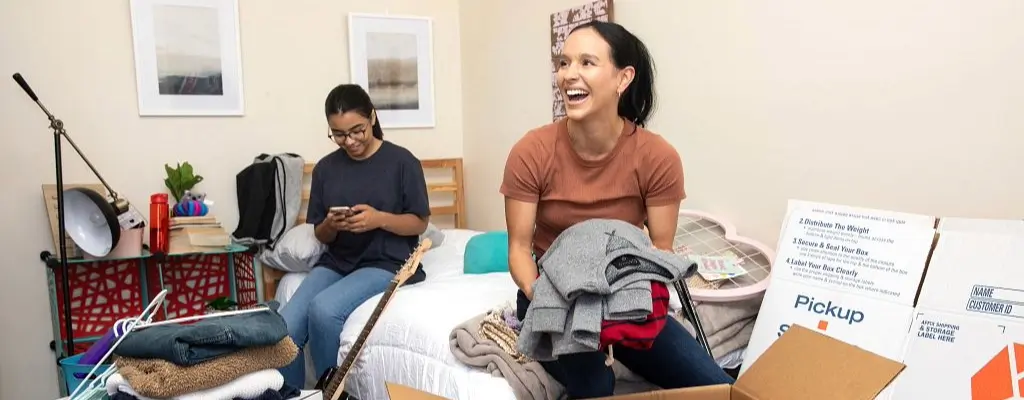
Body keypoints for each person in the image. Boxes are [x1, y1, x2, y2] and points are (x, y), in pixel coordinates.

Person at [500, 21, 735, 398]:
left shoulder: (657, 157)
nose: (568, 74)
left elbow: (660, 251)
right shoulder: (531, 152)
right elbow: (518, 250)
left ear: (623, 78)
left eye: (586, 62)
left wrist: (622, 308)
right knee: (595, 385)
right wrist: (552, 301)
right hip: (551, 296)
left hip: (625, 294)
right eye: (563, 63)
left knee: (718, 387)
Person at [278, 84, 431, 388]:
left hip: (387, 262)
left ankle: (330, 394)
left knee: (324, 310)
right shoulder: (326, 169)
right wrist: (332, 225)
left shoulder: (402, 162)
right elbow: (319, 231)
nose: (349, 141)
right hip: (338, 260)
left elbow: (419, 223)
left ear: (372, 117)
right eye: (339, 134)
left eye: (356, 130)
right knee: (286, 326)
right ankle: (292, 396)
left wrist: (379, 219)